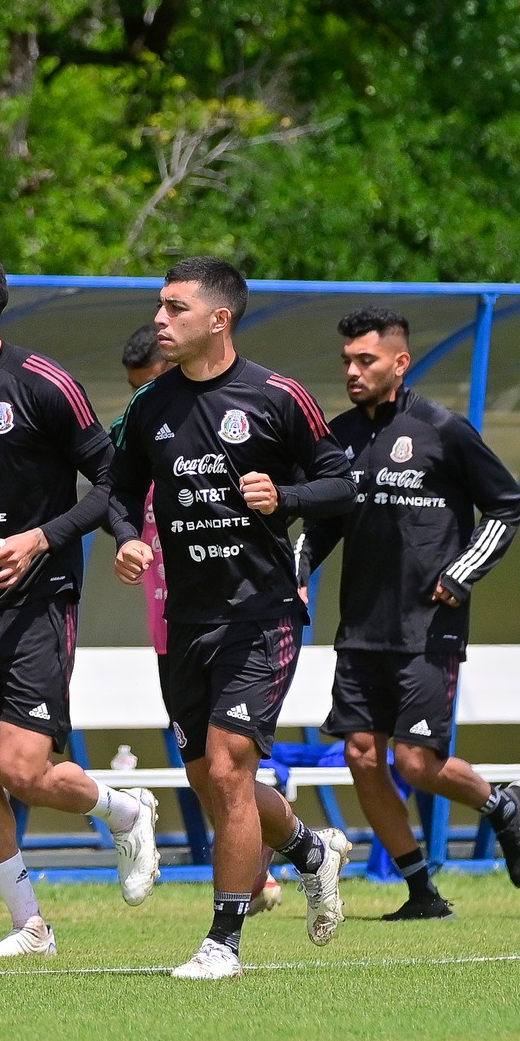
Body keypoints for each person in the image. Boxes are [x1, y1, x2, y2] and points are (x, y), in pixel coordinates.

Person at [110, 256, 357, 981]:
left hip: (263, 611)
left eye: (174, 308)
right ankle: (312, 850)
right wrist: (126, 538)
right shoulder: (150, 407)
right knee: (214, 780)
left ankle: (224, 940)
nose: (160, 319)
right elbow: (118, 489)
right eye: (159, 306)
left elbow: (343, 483)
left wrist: (284, 495)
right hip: (186, 621)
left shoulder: (277, 396)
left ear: (219, 319)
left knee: (229, 763)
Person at [0, 250, 158, 960]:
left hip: (37, 603)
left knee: (21, 770)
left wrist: (43, 539)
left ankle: (123, 810)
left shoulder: (43, 384)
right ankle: (31, 926)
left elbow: (115, 479)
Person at [301, 305, 520, 916]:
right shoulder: (338, 437)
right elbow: (323, 522)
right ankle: (421, 892)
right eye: (347, 361)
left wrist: (461, 574)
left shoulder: (444, 429)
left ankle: (502, 804)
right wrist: (296, 571)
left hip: (428, 627)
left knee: (415, 761)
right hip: (359, 629)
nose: (353, 371)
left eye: (366, 360)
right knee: (361, 756)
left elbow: (506, 506)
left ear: (399, 363)